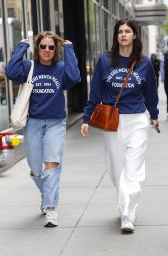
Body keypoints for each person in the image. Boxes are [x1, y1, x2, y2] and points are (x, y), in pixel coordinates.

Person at [81, 18, 159, 233]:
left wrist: (153, 114)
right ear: (116, 36)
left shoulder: (143, 63)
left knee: (133, 170)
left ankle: (128, 214)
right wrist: (87, 118)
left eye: (127, 31)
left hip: (137, 121)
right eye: (120, 31)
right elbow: (95, 90)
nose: (123, 34)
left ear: (134, 35)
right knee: (116, 170)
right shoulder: (105, 60)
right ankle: (124, 202)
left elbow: (150, 92)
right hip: (112, 121)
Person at [5, 31, 81, 228]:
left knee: (51, 166)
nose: (47, 50)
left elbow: (74, 76)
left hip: (56, 123)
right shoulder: (29, 67)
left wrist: (69, 49)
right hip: (34, 123)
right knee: (35, 167)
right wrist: (22, 47)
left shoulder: (61, 68)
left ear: (55, 50)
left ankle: (51, 208)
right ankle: (45, 192)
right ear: (37, 48)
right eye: (43, 46)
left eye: (51, 47)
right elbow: (11, 72)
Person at [160, 50, 168, 115]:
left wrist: (163, 78)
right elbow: (162, 68)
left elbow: (162, 68)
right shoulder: (164, 56)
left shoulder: (164, 56)